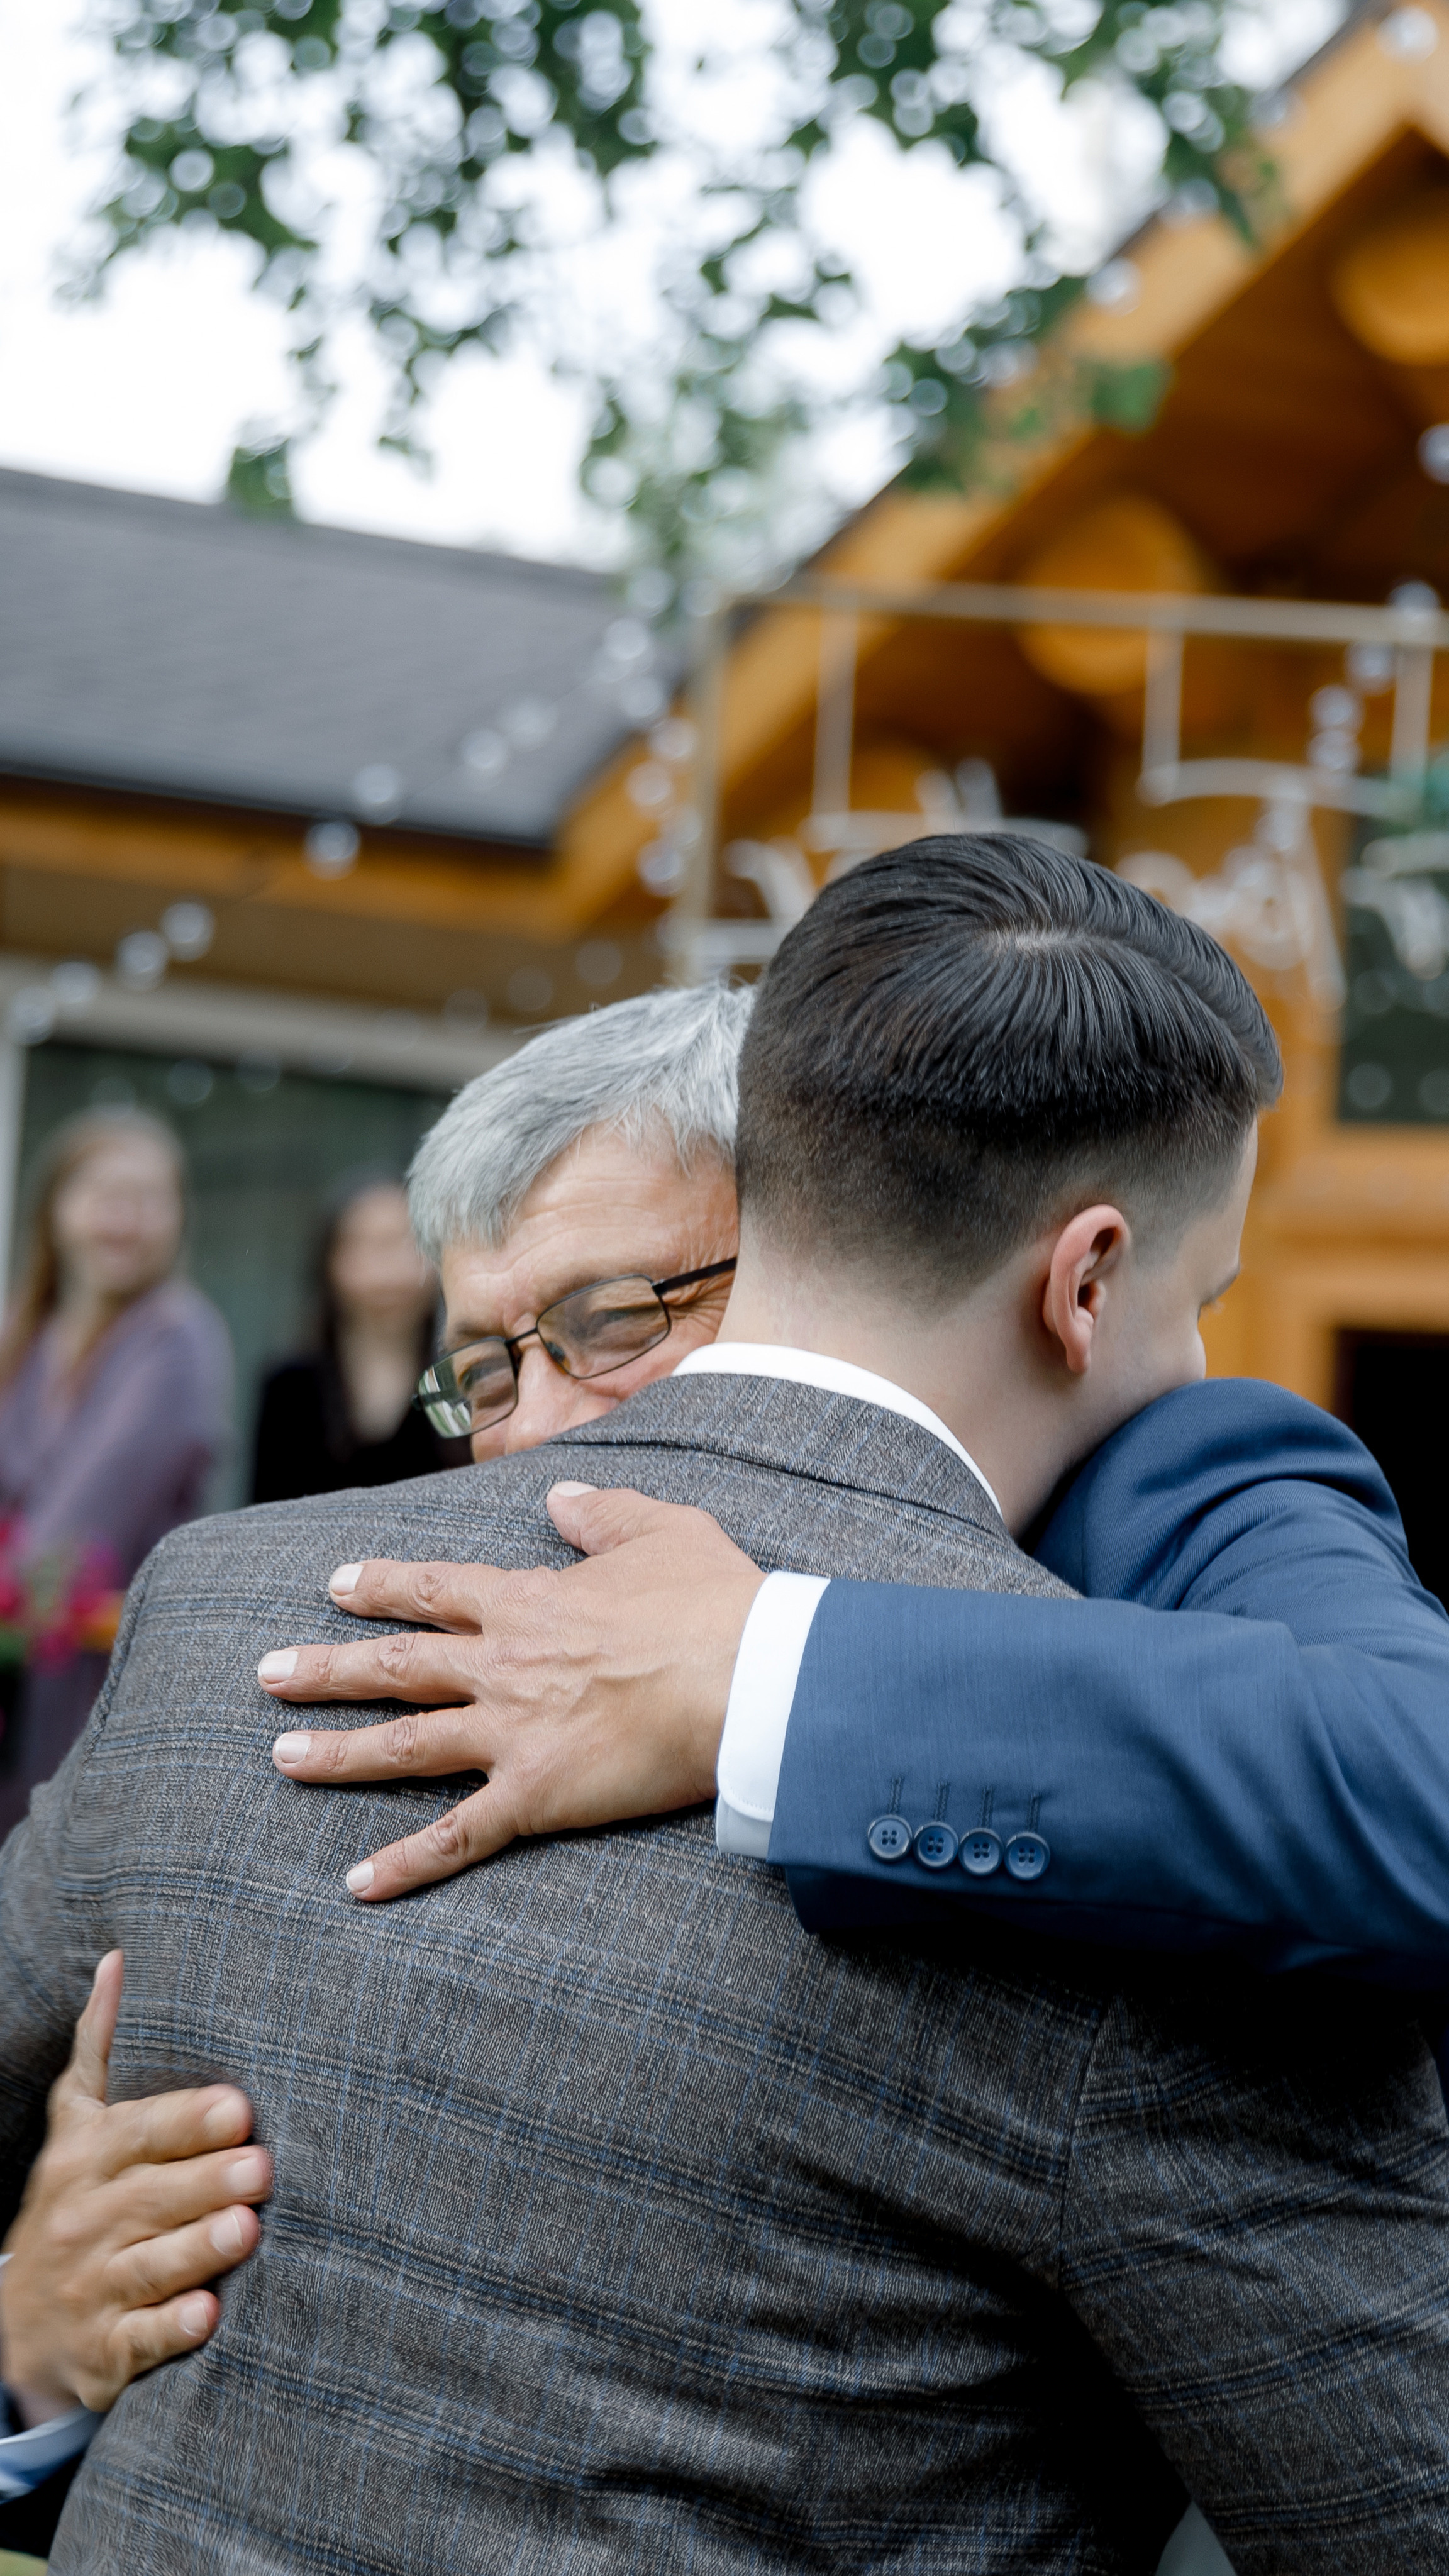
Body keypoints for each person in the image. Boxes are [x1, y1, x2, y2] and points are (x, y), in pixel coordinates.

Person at [4, 840, 1449, 2569]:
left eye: (601, 1323)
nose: (535, 1430)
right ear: (1089, 1279)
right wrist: (27, 2346)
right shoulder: (1170, 1897)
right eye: (485, 1371)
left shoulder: (230, 1606)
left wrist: (773, 1669)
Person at [0, 1109, 230, 1838]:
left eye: (148, 1197)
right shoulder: (22, 1335)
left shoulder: (175, 1337)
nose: (124, 1218)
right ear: (57, 1207)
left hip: (102, 1684)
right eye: (105, 1193)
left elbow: (70, 1536)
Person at [250, 1170, 467, 1502]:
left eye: (407, 1243)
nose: (390, 1271)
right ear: (330, 1262)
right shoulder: (290, 1389)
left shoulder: (463, 1378)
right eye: (370, 1246)